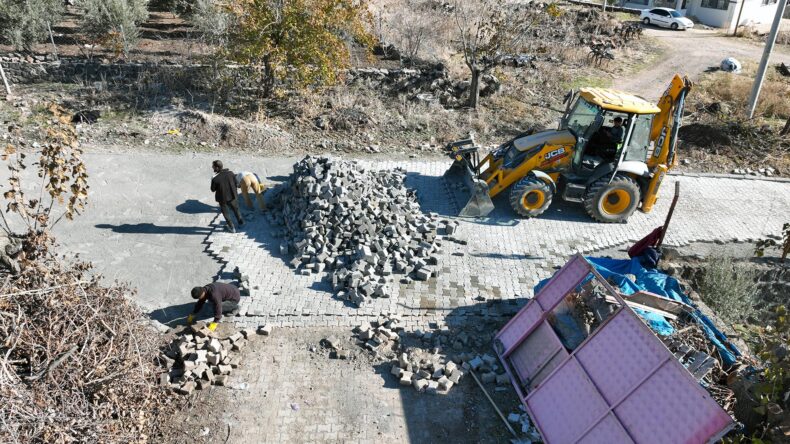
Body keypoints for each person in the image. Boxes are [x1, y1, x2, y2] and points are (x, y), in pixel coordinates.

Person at [211, 160, 244, 233]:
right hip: (232, 196)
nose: (212, 167)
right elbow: (236, 183)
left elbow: (213, 189)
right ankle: (241, 223)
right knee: (236, 210)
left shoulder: (215, 178)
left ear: (216, 167)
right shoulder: (231, 173)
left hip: (222, 199)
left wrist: (212, 179)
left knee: (226, 213)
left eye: (213, 166)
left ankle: (232, 228)